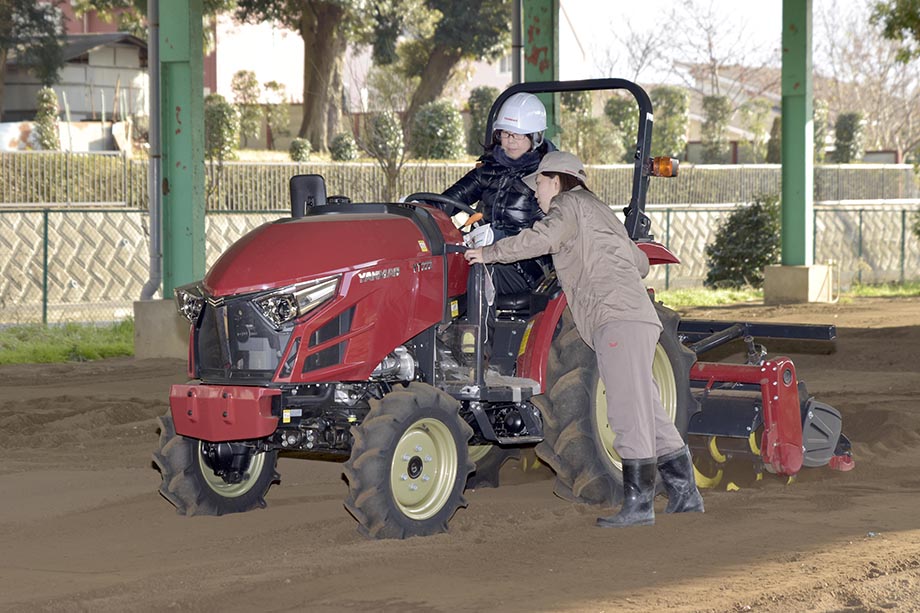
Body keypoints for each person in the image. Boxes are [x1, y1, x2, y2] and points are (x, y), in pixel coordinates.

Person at [464, 151, 704, 528]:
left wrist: (489, 253)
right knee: (649, 409)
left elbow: (543, 238)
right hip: (636, 317)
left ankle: (639, 505)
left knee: (626, 410)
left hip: (615, 319)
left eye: (539, 185)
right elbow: (639, 263)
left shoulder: (568, 205)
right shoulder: (600, 211)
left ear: (556, 180)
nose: (536, 195)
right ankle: (685, 493)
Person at [441, 92, 554, 296]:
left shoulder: (547, 177)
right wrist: (418, 208)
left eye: (517, 135)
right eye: (505, 133)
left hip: (526, 266)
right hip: (482, 253)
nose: (510, 141)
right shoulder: (488, 170)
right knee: (436, 268)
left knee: (476, 276)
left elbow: (549, 234)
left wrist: (500, 239)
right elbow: (449, 201)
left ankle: (479, 328)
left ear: (536, 136)